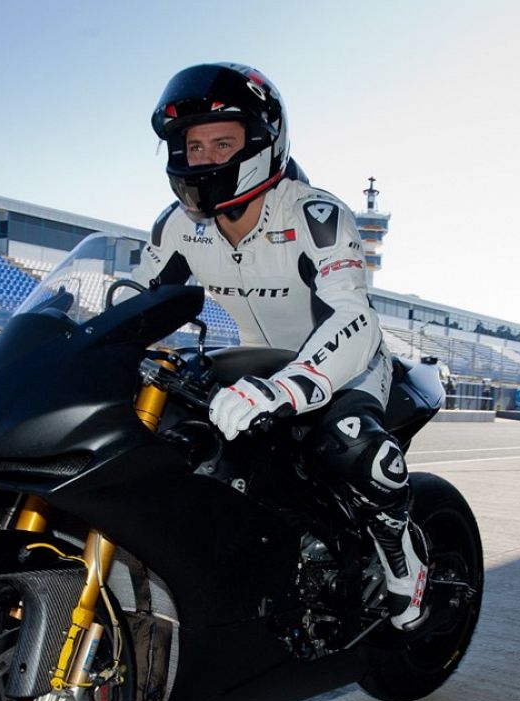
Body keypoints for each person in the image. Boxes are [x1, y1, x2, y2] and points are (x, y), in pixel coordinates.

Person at [131, 62, 428, 629]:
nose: (206, 158)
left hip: (347, 366)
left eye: (224, 141)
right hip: (253, 363)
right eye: (193, 146)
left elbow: (354, 315)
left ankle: (399, 547)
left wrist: (292, 385)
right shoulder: (175, 226)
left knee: (350, 445)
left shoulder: (316, 214)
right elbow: (133, 309)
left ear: (265, 142)